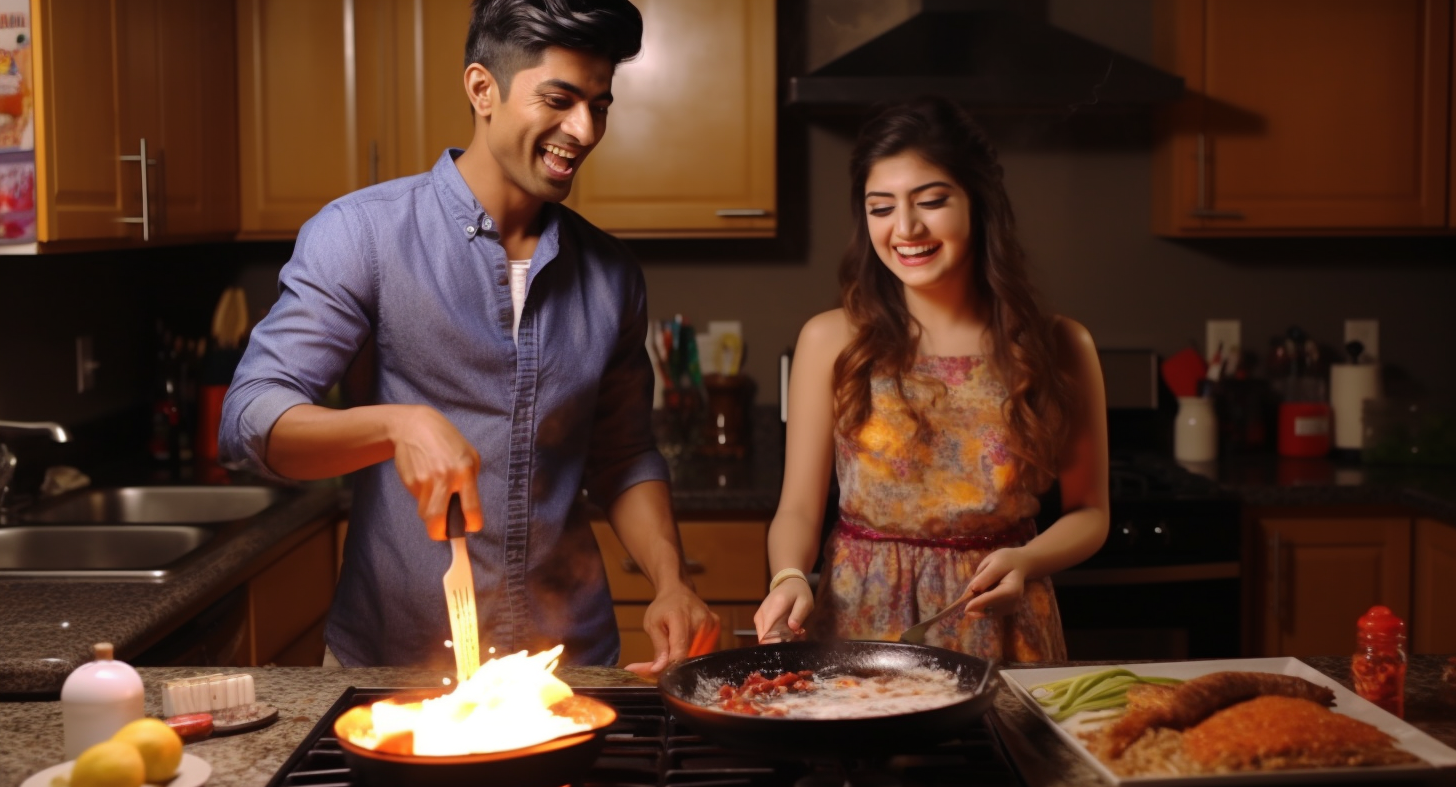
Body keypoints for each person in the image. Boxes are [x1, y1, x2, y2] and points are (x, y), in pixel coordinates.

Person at [220, 0, 718, 674]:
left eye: (599, 105)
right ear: (483, 89)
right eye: (560, 99)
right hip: (397, 668)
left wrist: (670, 581)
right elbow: (250, 423)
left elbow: (624, 455)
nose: (584, 129)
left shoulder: (611, 277)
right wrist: (396, 426)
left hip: (567, 668)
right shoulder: (361, 236)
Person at [753, 97, 1108, 660]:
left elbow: (1090, 513)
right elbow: (798, 507)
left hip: (1000, 620)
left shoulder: (1060, 344)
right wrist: (789, 576)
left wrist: (1027, 559)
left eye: (932, 201)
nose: (906, 228)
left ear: (979, 203)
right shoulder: (829, 340)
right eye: (880, 208)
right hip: (858, 624)